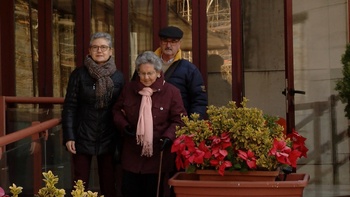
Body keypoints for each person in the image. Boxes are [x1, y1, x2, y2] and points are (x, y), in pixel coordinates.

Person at [112, 51, 187, 197]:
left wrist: (168, 137)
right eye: (142, 73)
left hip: (158, 154)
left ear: (158, 73)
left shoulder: (172, 92)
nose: (146, 78)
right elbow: (116, 111)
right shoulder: (129, 89)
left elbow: (180, 119)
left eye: (150, 73)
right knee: (129, 191)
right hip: (132, 153)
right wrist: (124, 126)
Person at [62, 32, 124, 197]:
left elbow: (122, 108)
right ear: (89, 50)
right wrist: (69, 136)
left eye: (103, 47)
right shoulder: (79, 74)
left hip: (109, 136)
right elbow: (70, 106)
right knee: (80, 183)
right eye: (95, 47)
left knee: (109, 183)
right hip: (82, 135)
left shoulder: (118, 77)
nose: (99, 50)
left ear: (111, 51)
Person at [154, 26, 208, 119]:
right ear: (160, 43)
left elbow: (199, 101)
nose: (168, 45)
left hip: (178, 123)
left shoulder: (190, 70)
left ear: (179, 44)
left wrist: (191, 125)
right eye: (165, 41)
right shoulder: (147, 65)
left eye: (173, 42)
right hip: (151, 123)